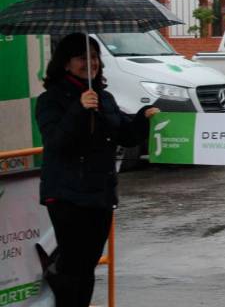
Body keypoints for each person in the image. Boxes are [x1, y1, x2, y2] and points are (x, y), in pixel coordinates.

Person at [35, 33, 160, 307]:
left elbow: (124, 136)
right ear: (66, 63)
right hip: (67, 195)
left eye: (94, 57)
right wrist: (79, 110)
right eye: (82, 57)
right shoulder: (50, 100)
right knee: (73, 264)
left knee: (89, 264)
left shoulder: (104, 97)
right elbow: (56, 143)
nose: (90, 63)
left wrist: (142, 117)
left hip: (99, 194)